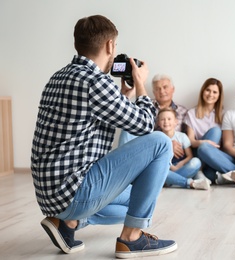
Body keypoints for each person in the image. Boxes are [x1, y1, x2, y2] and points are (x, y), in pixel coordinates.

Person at [30, 15, 177, 258]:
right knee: (161, 143)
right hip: (75, 191)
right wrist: (141, 84)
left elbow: (90, 121)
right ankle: (132, 238)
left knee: (137, 197)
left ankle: (68, 224)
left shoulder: (58, 77)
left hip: (50, 196)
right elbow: (145, 125)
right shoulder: (95, 80)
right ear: (109, 45)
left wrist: (123, 95)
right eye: (116, 46)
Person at [118, 74, 188, 160]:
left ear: (172, 89)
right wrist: (167, 144)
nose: (162, 91)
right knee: (129, 124)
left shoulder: (183, 111)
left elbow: (187, 138)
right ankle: (121, 162)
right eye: (158, 89)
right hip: (149, 149)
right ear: (154, 93)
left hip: (175, 156)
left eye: (165, 87)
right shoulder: (145, 105)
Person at [157, 108, 210, 190]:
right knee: (158, 172)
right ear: (158, 123)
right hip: (167, 168)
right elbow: (159, 159)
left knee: (196, 162)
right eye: (163, 119)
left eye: (169, 119)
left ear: (176, 122)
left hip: (182, 166)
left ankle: (171, 181)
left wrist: (180, 164)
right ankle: (185, 181)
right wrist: (172, 167)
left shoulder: (182, 136)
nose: (166, 122)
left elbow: (189, 156)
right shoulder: (158, 138)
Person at [184, 78, 224, 179]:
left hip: (213, 157)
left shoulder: (223, 115)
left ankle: (199, 172)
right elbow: (191, 141)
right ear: (203, 91)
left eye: (215, 92)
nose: (210, 94)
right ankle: (199, 169)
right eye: (208, 90)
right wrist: (204, 143)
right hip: (198, 153)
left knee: (212, 175)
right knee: (216, 131)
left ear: (219, 96)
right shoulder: (191, 113)